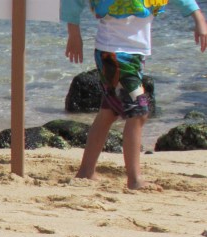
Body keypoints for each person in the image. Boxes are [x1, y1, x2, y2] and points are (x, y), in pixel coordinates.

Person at [61, 0, 207, 189]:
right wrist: (74, 34)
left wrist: (199, 20)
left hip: (133, 55)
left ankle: (85, 172)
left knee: (108, 112)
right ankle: (134, 179)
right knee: (139, 112)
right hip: (114, 53)